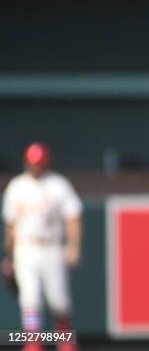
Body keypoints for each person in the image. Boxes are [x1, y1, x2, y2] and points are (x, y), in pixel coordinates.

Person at [2, 143, 82, 351]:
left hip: (51, 246)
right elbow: (10, 226)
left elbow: (73, 217)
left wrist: (73, 246)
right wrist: (8, 255)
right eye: (32, 163)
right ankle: (33, 342)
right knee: (30, 298)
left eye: (38, 163)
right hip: (25, 247)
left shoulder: (58, 184)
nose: (35, 167)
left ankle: (65, 340)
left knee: (59, 300)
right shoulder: (17, 186)